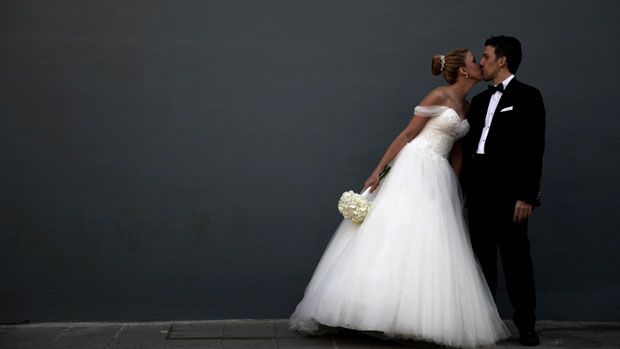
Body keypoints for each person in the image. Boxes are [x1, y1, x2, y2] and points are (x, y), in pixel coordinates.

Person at [290, 49, 510, 348]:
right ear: (462, 70)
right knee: (397, 230)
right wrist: (377, 172)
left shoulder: (469, 107)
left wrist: (454, 187)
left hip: (440, 174)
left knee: (431, 239)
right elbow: (406, 135)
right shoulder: (438, 96)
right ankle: (373, 312)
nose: (479, 64)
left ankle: (417, 316)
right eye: (474, 60)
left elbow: (458, 150)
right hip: (415, 164)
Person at [461, 35, 546, 347]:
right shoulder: (481, 101)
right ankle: (485, 326)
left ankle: (526, 326)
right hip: (478, 193)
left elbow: (533, 149)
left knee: (516, 261)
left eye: (485, 56)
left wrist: (527, 195)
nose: (481, 62)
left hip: (511, 196)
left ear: (502, 60)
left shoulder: (529, 96)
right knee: (481, 262)